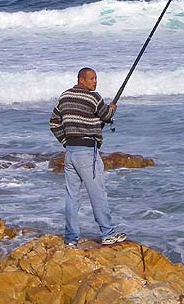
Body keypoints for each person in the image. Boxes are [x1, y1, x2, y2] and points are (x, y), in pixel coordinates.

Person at [50, 67, 127, 247]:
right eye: (92, 78)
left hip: (70, 153)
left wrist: (65, 141)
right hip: (87, 153)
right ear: (81, 80)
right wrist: (112, 108)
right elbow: (106, 116)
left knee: (72, 196)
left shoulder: (64, 97)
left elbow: (54, 123)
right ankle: (107, 233)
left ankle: (71, 239)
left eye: (96, 78)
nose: (95, 81)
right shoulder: (93, 97)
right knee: (97, 193)